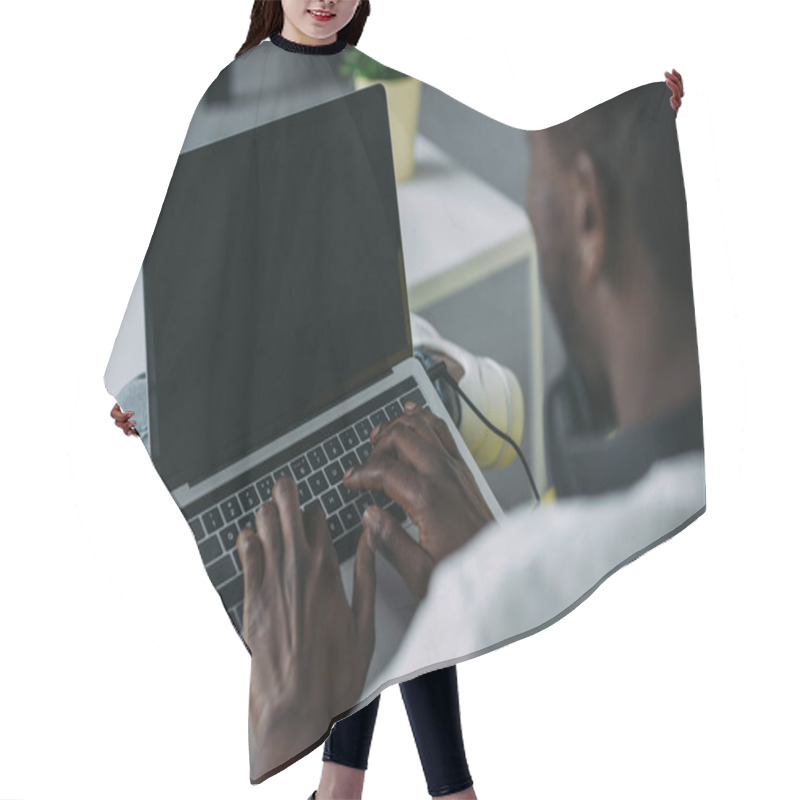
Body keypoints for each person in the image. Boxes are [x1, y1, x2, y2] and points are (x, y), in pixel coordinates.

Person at [238, 70, 705, 784]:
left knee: (385, 554)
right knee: (381, 553)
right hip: (461, 551)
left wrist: (286, 725)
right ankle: (392, 781)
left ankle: (393, 782)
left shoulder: (407, 349)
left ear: (587, 210)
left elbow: (499, 401)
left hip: (461, 547)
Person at [110, 2, 526, 797]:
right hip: (269, 401)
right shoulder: (235, 92)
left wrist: (639, 131)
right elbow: (188, 252)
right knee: (360, 560)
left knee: (389, 549)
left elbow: (487, 157)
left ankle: (352, 787)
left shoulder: (368, 83)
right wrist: (149, 390)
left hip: (365, 369)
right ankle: (424, 790)